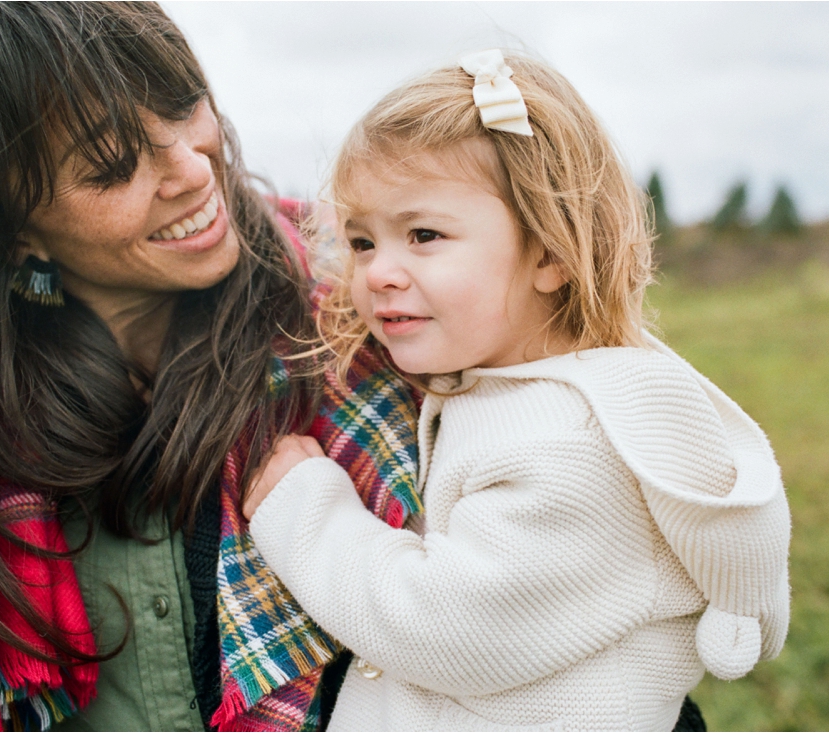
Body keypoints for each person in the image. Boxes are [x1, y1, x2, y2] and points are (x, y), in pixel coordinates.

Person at [0, 3, 425, 731]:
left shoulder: (376, 322)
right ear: (12, 229)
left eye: (180, 102)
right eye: (111, 167)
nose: (192, 166)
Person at [242, 50, 792, 731]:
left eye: (423, 234)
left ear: (549, 253)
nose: (378, 271)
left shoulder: (571, 444)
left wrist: (304, 509)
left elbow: (437, 627)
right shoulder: (508, 394)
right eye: (360, 241)